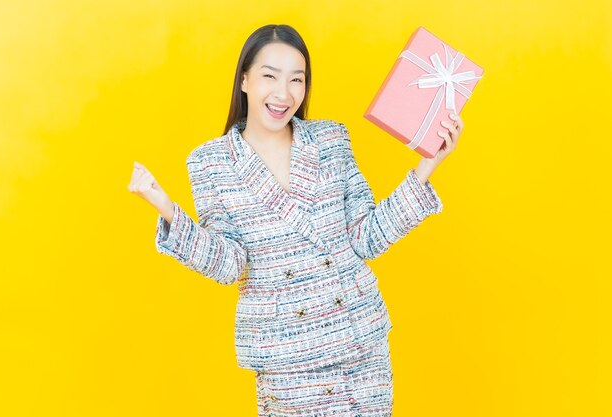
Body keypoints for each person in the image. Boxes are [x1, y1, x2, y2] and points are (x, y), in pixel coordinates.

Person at [128, 23, 462, 417]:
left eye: (296, 80)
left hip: (359, 348)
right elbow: (230, 263)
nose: (283, 93)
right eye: (270, 76)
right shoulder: (210, 161)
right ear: (245, 80)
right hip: (286, 358)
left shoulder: (331, 139)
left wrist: (428, 165)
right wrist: (166, 207)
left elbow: (367, 237)